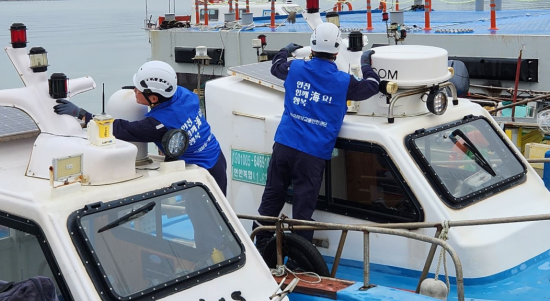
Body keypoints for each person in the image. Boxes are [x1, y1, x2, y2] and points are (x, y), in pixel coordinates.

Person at [255, 22, 380, 247]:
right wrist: (365, 63)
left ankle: (260, 247)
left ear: (312, 46)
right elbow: (371, 86)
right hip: (312, 154)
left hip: (284, 144)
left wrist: (285, 49)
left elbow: (276, 66)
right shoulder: (344, 81)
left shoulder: (295, 68)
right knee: (302, 211)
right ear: (336, 51)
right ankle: (299, 259)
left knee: (271, 199)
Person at [54, 60, 227, 194]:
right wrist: (145, 91)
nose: (135, 91)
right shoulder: (183, 93)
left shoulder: (158, 124)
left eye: (138, 89)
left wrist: (82, 113)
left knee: (205, 229)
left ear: (153, 99)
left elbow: (123, 129)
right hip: (217, 158)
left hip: (203, 171)